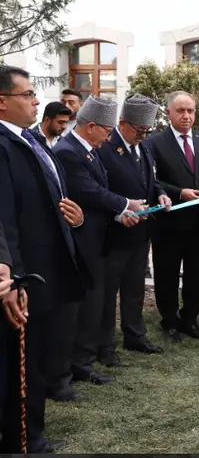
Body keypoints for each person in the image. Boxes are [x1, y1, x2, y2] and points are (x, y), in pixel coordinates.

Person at [0, 65, 87, 452]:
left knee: (37, 354)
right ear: (2, 102)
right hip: (23, 275)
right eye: (27, 94)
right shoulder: (3, 146)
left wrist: (75, 216)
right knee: (24, 361)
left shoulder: (29, 140)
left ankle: (28, 429)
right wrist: (13, 277)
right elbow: (4, 220)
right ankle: (24, 437)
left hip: (45, 267)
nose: (37, 100)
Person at [52, 96, 147, 391]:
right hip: (82, 240)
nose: (108, 138)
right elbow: (88, 190)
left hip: (96, 236)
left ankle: (84, 360)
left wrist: (119, 216)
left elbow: (97, 192)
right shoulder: (69, 152)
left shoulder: (88, 150)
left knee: (93, 304)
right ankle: (79, 364)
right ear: (91, 126)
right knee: (84, 306)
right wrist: (125, 204)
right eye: (106, 132)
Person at [146, 91, 199, 341]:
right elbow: (151, 180)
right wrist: (179, 192)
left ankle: (190, 319)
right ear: (169, 113)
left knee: (195, 273)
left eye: (190, 111)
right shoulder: (154, 142)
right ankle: (169, 321)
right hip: (169, 223)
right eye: (180, 111)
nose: (186, 116)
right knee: (167, 273)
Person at [99, 94, 169, 356]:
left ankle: (135, 335)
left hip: (141, 232)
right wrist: (121, 211)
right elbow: (100, 190)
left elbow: (151, 178)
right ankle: (104, 345)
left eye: (147, 130)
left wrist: (160, 193)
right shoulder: (105, 146)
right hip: (114, 233)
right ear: (123, 123)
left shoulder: (145, 146)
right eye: (140, 130)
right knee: (108, 293)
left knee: (134, 287)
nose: (143, 135)